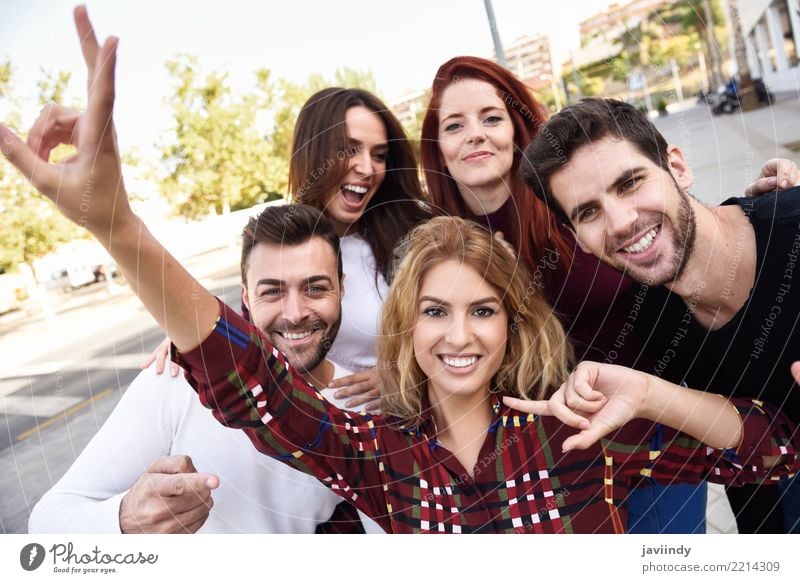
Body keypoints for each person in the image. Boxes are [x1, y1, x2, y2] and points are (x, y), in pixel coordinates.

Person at [2, 8, 797, 534]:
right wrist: (116, 226)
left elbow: (771, 453)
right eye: (433, 312)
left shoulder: (581, 436)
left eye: (482, 310)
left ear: (513, 322)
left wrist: (651, 395)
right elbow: (250, 380)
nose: (457, 334)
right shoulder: (379, 458)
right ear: (400, 328)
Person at [419, 55, 797, 534]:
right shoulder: (445, 245)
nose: (619, 222)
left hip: (668, 426)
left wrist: (772, 209)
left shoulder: (575, 211)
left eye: (491, 117)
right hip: (573, 444)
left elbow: (689, 240)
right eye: (454, 125)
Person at [521, 96, 800, 533]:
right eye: (588, 212)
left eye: (630, 182)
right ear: (578, 238)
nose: (619, 222)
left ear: (678, 167)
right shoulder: (649, 317)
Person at [28, 203, 381, 533]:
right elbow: (48, 520)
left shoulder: (365, 408)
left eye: (315, 288)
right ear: (245, 297)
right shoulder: (174, 380)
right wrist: (125, 518)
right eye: (272, 292)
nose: (294, 313)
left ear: (342, 289)